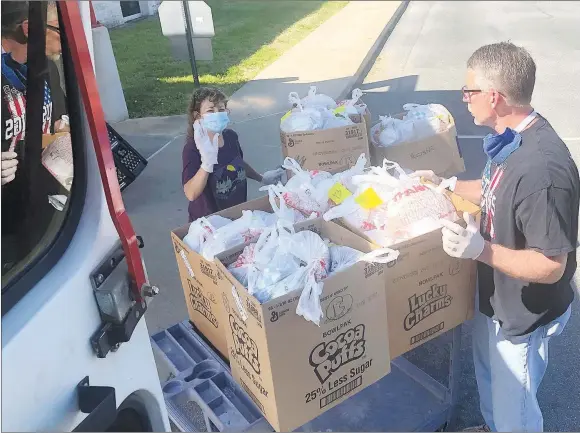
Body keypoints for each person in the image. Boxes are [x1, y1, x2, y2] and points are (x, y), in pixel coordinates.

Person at [415, 42, 579, 432]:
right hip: (496, 299)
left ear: (495, 96)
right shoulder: (510, 138)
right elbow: (493, 188)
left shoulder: (543, 170)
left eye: (468, 92)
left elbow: (551, 265)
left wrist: (480, 250)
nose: (464, 100)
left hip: (524, 314)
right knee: (489, 378)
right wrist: (448, 184)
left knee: (516, 416)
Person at [1, 1, 68, 273]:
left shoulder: (45, 70)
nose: (67, 39)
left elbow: (57, 124)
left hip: (47, 218)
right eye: (60, 29)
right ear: (31, 29)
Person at [182, 87, 284, 222]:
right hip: (210, 223)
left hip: (236, 216)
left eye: (221, 109)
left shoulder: (230, 137)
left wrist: (261, 178)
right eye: (210, 110)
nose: (217, 114)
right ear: (197, 116)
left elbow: (237, 162)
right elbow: (191, 193)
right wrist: (207, 163)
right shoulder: (192, 149)